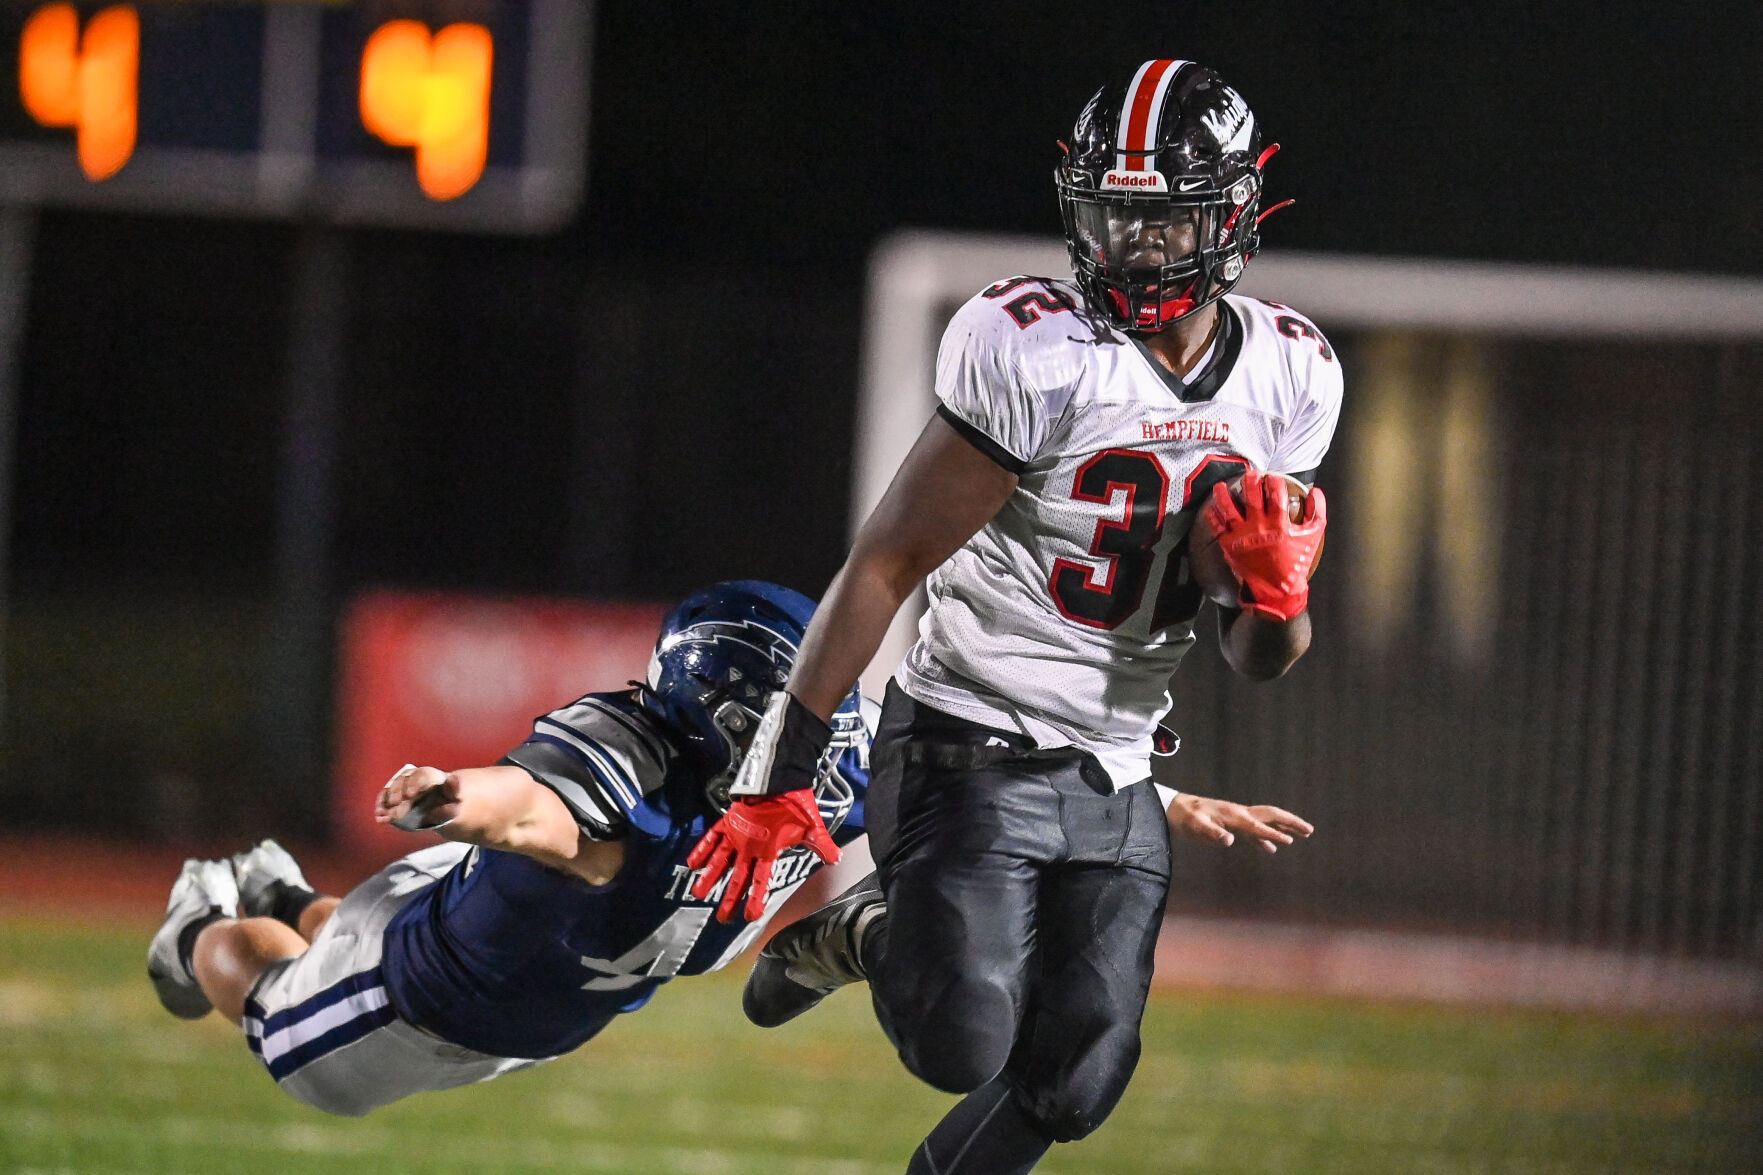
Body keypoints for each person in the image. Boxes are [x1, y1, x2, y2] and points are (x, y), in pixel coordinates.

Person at [686, 60, 1337, 1174]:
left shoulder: (1290, 373)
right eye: (1112, 213)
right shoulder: (1032, 346)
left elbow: (1258, 655)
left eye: (1163, 218)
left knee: (1074, 1079)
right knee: (958, 1038)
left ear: (1229, 216)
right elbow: (885, 562)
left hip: (1115, 763)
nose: (1134, 245)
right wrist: (774, 770)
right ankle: (845, 934)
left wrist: (1278, 598)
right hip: (966, 733)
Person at [143, 580, 871, 1116]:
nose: (816, 737)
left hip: (517, 979)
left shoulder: (846, 761)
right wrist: (451, 797)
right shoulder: (633, 793)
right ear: (715, 716)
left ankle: (286, 896)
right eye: (788, 716)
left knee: (368, 943)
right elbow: (527, 810)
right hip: (413, 999)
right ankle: (197, 921)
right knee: (285, 1034)